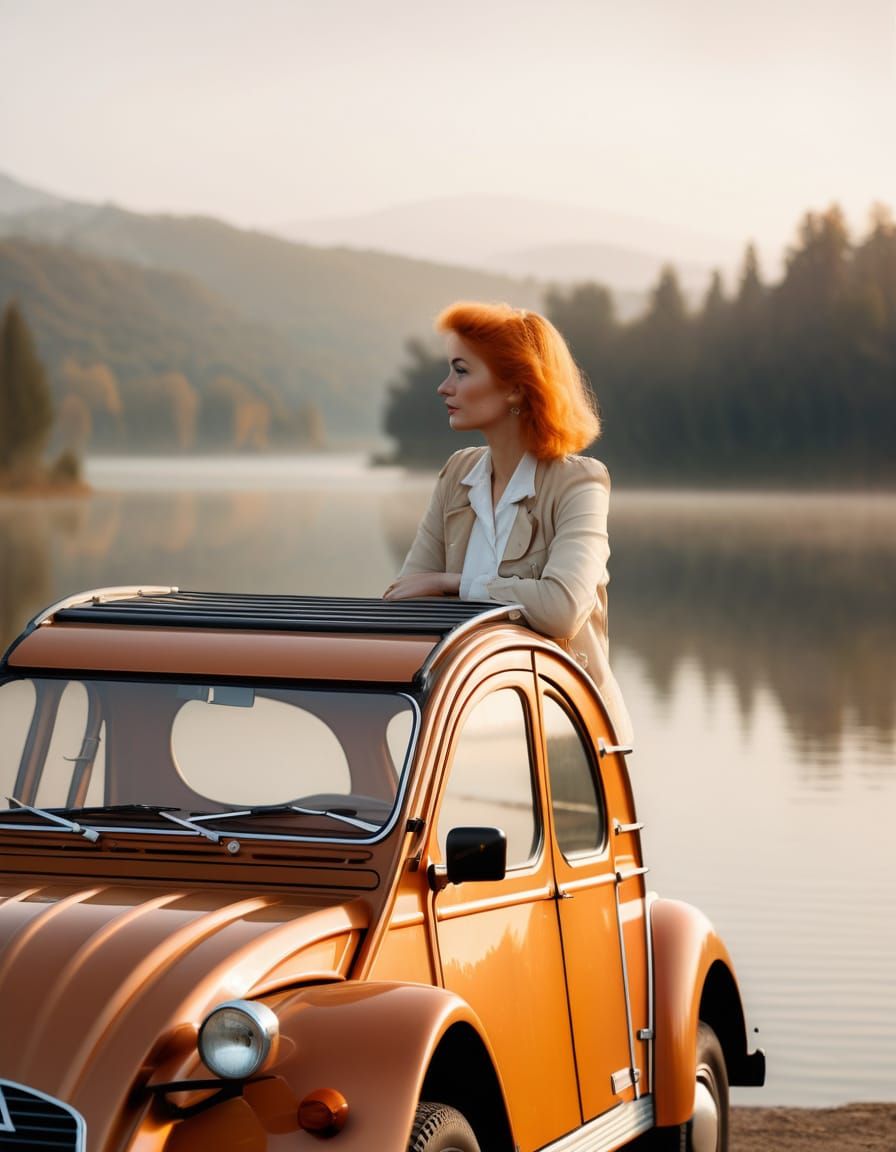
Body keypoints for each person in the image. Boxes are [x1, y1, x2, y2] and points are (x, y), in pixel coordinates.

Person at [384, 300, 633, 746]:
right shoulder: (458, 474)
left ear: (516, 388)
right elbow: (408, 603)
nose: (444, 388)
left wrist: (455, 583)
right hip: (465, 735)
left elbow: (560, 609)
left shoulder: (580, 483)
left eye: (461, 371)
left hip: (568, 737)